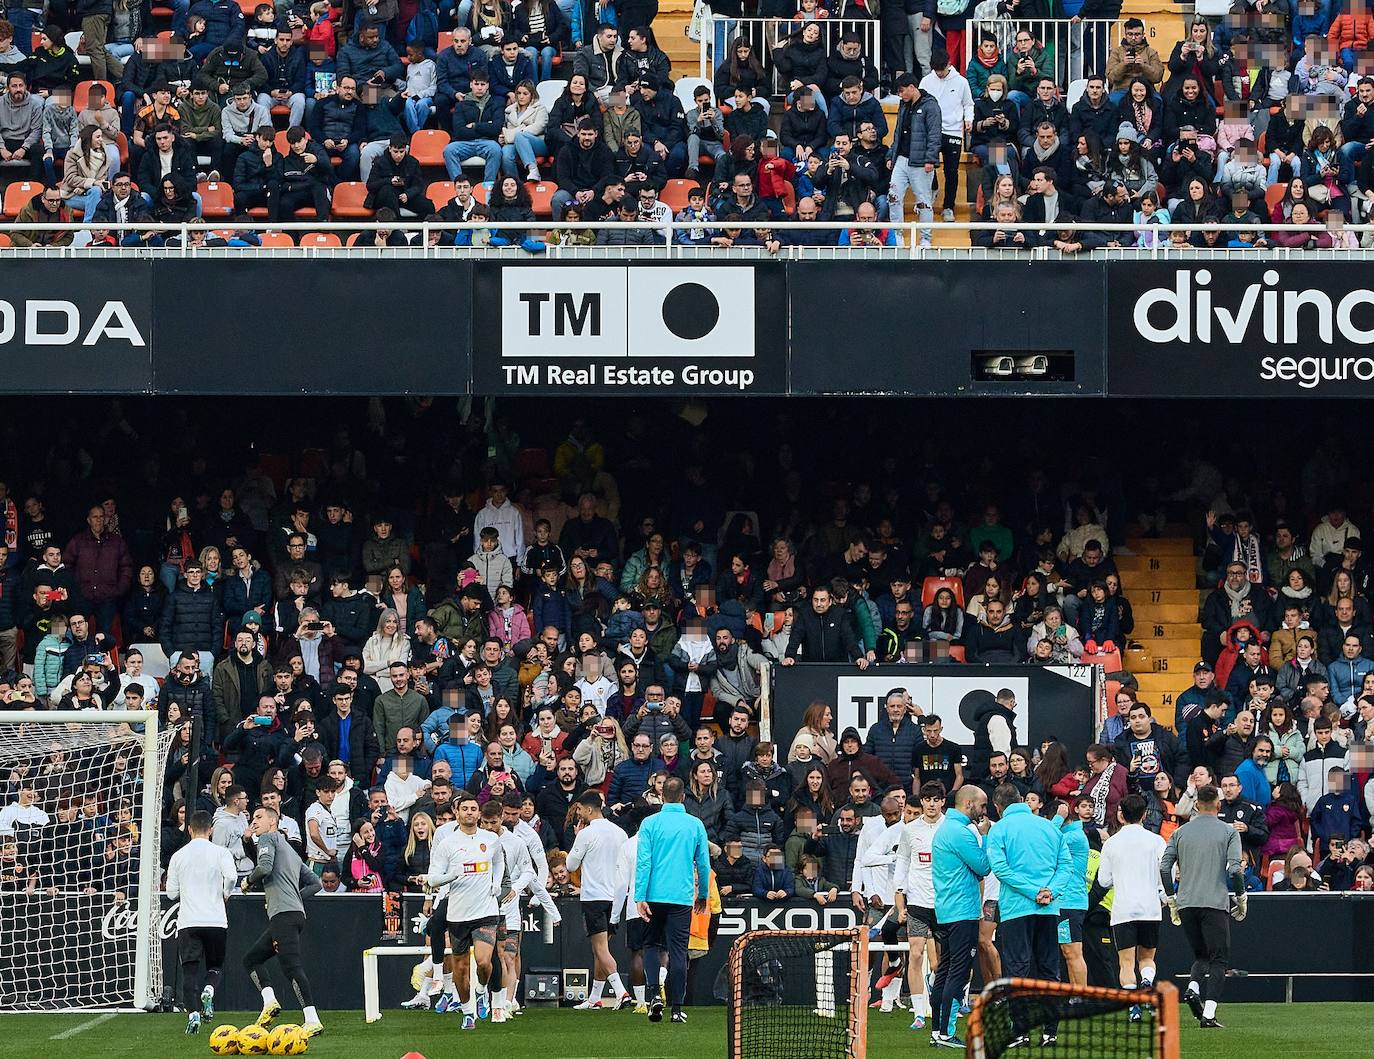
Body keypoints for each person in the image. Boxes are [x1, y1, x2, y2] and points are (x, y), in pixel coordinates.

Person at [985, 783, 1073, 1048]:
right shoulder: (1049, 827)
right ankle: (1050, 1032)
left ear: (998, 807)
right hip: (1048, 908)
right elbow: (1066, 865)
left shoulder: (999, 829)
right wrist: (1051, 892)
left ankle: (1021, 1031)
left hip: (1016, 909)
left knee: (1017, 969)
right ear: (1023, 800)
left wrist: (1033, 891)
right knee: (1049, 969)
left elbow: (1000, 869)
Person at [1160, 784, 1245, 1029]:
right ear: (1218, 805)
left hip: (1186, 902)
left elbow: (1165, 868)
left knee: (1201, 955)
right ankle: (1208, 1013)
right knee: (1219, 959)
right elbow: (1235, 869)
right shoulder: (1229, 832)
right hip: (1214, 902)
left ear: (1196, 804)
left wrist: (1171, 897)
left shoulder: (1180, 832)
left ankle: (1193, 988)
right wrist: (1241, 898)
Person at [416, 793, 503, 1030]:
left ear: (479, 813)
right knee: (461, 968)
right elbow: (433, 879)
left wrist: (496, 882)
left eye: (474, 808)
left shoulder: (490, 839)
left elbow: (498, 860)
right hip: (457, 913)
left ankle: (482, 990)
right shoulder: (446, 844)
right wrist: (450, 876)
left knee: (484, 962)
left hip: (485, 909)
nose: (470, 812)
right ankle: (467, 1012)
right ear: (457, 812)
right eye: (465, 808)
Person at [241, 801, 324, 1038]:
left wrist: (247, 881)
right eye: (252, 818)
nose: (253, 822)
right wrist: (294, 896)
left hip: (283, 915)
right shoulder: (290, 851)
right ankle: (270, 1002)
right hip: (294, 914)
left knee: (291, 967)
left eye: (258, 817)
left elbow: (264, 867)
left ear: (272, 822)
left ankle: (312, 1019)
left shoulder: (269, 839)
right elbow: (316, 884)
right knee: (252, 959)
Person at [633, 775, 710, 1023]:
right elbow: (704, 863)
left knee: (651, 946)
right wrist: (705, 893)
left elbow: (643, 862)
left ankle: (654, 994)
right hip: (682, 896)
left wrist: (639, 896)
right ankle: (676, 1008)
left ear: (662, 796)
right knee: (678, 952)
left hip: (654, 895)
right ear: (684, 797)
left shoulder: (649, 823)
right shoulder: (695, 824)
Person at [926, 783, 990, 1048]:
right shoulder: (961, 832)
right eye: (982, 805)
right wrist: (984, 836)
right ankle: (946, 1033)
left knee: (945, 971)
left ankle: (936, 1031)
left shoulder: (946, 829)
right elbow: (984, 867)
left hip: (947, 909)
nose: (984, 811)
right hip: (962, 910)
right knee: (959, 972)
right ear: (968, 805)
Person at [165, 809, 238, 1035]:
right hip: (216, 920)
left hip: (189, 921)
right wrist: (225, 893)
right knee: (215, 967)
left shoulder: (179, 856)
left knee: (189, 972)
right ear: (211, 829)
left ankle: (194, 1014)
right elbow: (233, 877)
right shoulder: (221, 852)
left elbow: (170, 893)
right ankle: (209, 990)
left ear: (189, 829)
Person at [1097, 793, 1167, 1020]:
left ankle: (1133, 1007)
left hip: (1123, 910)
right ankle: (1146, 982)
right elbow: (1166, 872)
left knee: (1125, 962)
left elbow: (1103, 881)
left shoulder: (1111, 844)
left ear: (1121, 815)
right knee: (1147, 959)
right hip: (1150, 909)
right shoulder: (1156, 841)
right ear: (1145, 814)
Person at [567, 789, 633, 1009]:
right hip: (616, 897)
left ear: (588, 809)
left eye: (579, 810)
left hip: (594, 897)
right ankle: (595, 997)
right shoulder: (620, 833)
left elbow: (570, 865)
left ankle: (621, 992)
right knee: (600, 949)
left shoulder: (586, 834)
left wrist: (577, 838)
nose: (578, 815)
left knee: (601, 949)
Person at [893, 780, 944, 1030]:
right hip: (918, 902)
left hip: (945, 903)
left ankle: (944, 1006)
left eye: (936, 799)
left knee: (942, 962)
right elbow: (902, 861)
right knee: (915, 954)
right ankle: (918, 1012)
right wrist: (899, 892)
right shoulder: (910, 830)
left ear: (943, 802)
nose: (931, 804)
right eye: (927, 799)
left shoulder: (952, 828)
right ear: (921, 801)